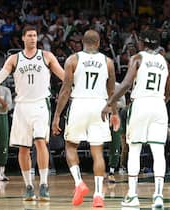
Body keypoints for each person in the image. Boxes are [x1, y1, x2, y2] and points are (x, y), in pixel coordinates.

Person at [0, 25, 64, 201]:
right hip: (22, 105)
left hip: (40, 104)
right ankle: (29, 186)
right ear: (23, 38)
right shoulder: (14, 59)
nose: (32, 38)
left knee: (40, 142)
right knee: (23, 148)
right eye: (29, 35)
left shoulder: (46, 56)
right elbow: (0, 77)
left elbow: (64, 76)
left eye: (35, 35)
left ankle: (44, 184)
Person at [101, 29, 170, 209]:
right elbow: (169, 92)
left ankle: (132, 195)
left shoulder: (138, 58)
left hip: (140, 104)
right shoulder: (164, 61)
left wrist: (110, 102)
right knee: (158, 152)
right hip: (159, 105)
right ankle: (158, 196)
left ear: (142, 43)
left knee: (134, 149)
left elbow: (125, 84)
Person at [52, 29, 118, 208]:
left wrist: (57, 115)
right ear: (98, 43)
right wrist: (115, 114)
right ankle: (98, 195)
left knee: (70, 146)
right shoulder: (108, 62)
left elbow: (65, 90)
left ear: (82, 42)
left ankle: (79, 183)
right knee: (97, 151)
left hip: (79, 104)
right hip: (100, 106)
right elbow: (112, 92)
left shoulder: (73, 59)